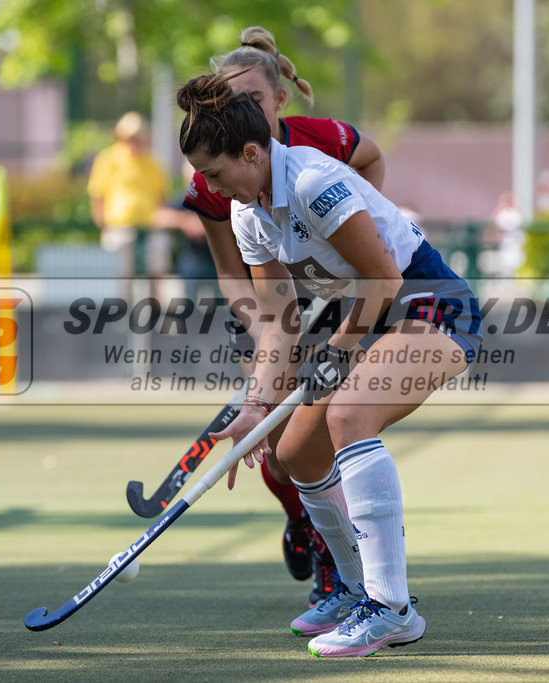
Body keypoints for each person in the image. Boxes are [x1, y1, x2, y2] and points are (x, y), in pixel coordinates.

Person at [177, 72, 482, 658]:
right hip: (370, 318)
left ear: (250, 153)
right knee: (295, 454)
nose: (208, 186)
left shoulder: (314, 180)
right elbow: (277, 318)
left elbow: (386, 277)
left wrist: (342, 347)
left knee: (350, 415)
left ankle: (390, 609)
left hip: (430, 304)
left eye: (213, 172)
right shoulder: (248, 213)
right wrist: (255, 407)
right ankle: (354, 588)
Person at [182, 26, 388, 607]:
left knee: (324, 432)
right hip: (265, 296)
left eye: (251, 100)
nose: (240, 110)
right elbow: (233, 274)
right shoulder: (218, 176)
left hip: (339, 294)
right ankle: (305, 520)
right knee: (275, 440)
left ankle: (339, 571)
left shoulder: (317, 147)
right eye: (228, 101)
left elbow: (371, 162)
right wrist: (268, 337)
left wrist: (347, 242)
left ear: (279, 100)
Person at [87, 112, 170, 282]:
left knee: (156, 272)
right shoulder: (108, 159)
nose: (135, 142)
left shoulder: (153, 161)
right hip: (119, 226)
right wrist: (101, 220)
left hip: (150, 225)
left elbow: (160, 194)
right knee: (121, 276)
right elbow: (97, 192)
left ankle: (154, 307)